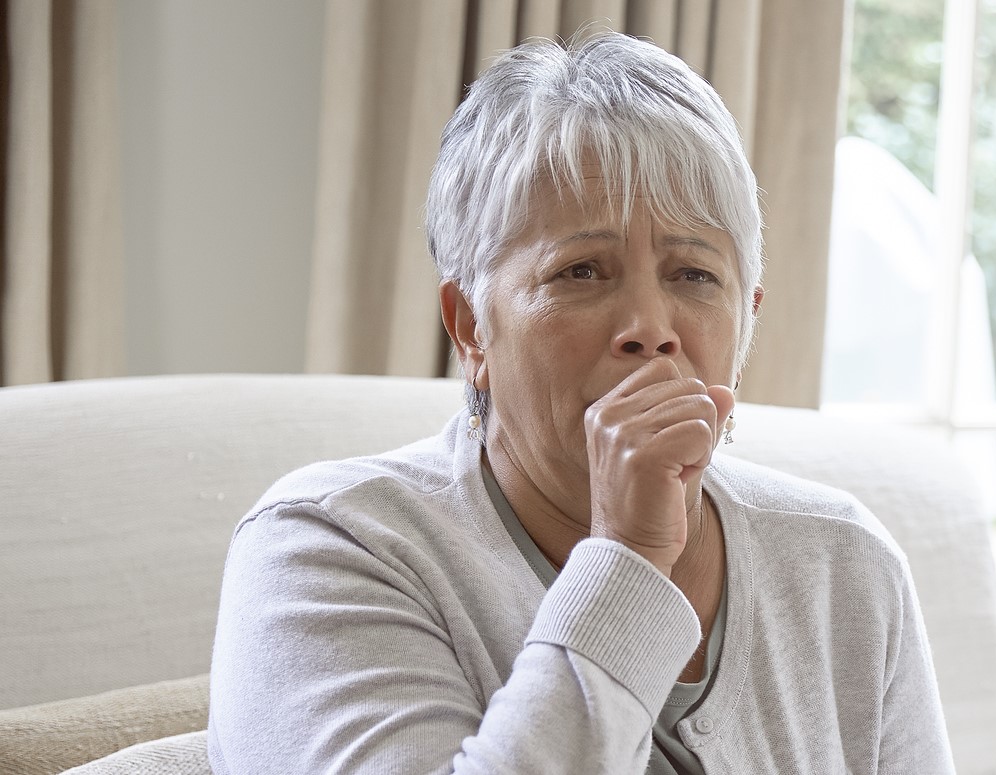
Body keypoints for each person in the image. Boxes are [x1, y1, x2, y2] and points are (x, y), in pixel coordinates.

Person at [206, 32, 954, 774]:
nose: (650, 330)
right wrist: (628, 556)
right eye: (582, 271)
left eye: (693, 275)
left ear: (746, 317)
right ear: (471, 326)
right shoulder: (326, 547)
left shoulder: (844, 560)